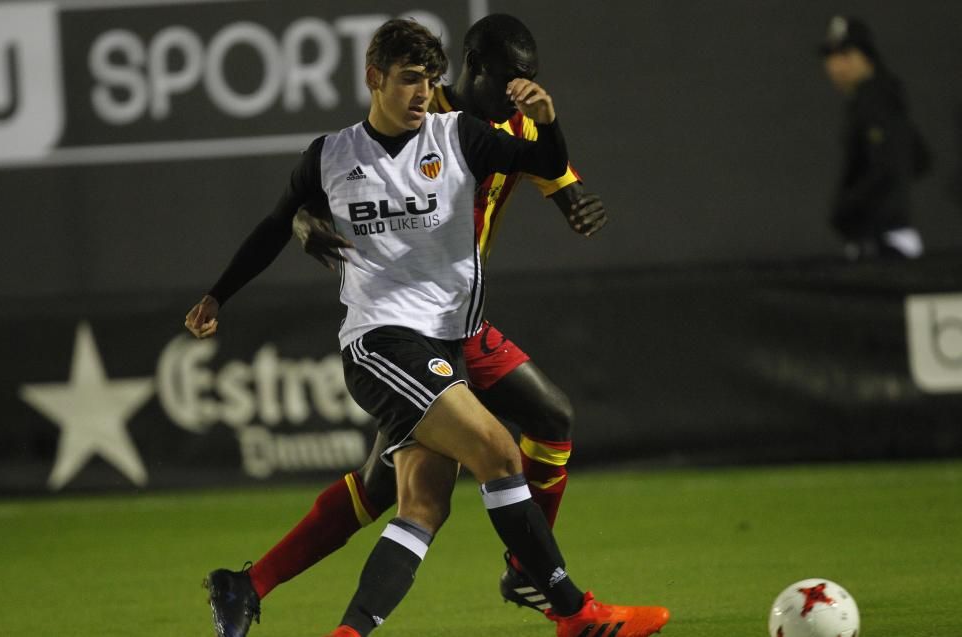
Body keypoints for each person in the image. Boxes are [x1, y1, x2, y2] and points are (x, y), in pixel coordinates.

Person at [186, 18, 668, 637]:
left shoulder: (461, 134)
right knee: (497, 447)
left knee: (422, 501)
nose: (420, 92)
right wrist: (219, 294)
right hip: (383, 342)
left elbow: (545, 160)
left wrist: (549, 122)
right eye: (410, 79)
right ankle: (571, 610)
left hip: (448, 339)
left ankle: (312, 616)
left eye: (427, 81)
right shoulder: (332, 154)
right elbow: (278, 224)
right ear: (375, 78)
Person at [819, 15, 930, 261]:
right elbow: (920, 159)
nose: (835, 65)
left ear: (865, 57)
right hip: (890, 236)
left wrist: (846, 208)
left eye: (845, 55)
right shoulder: (880, 98)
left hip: (884, 241)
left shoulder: (875, 101)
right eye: (831, 56)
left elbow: (888, 166)